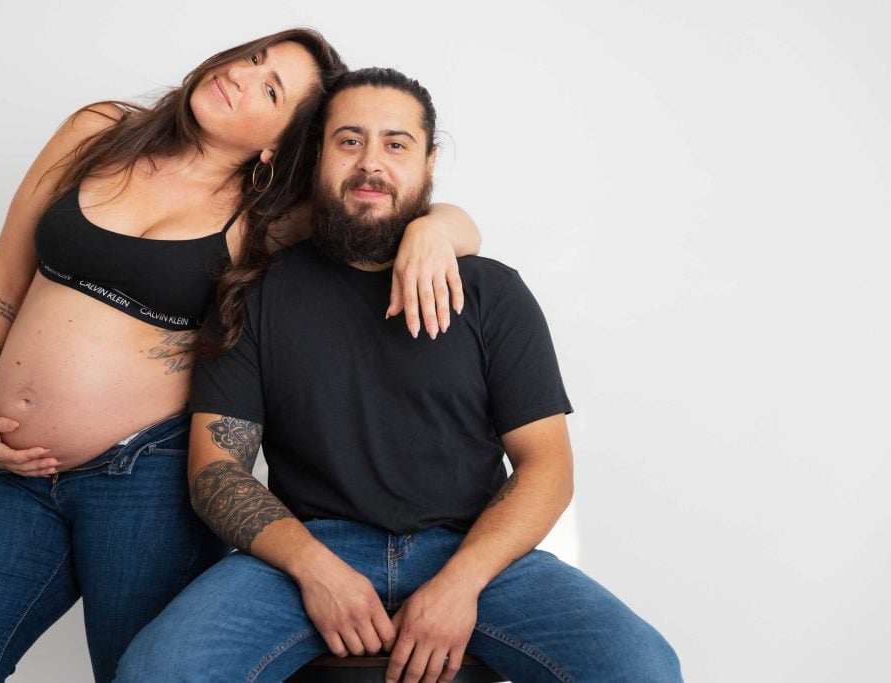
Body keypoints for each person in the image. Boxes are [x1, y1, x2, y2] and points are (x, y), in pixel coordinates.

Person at [0, 31, 483, 682]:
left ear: (278, 144)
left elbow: (412, 218)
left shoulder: (269, 219)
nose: (244, 74)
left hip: (146, 482)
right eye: (256, 58)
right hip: (16, 475)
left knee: (143, 673)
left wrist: (433, 230)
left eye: (272, 89)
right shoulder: (98, 130)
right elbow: (4, 277)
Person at [115, 67, 684, 683]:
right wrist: (315, 568)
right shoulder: (256, 295)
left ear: (429, 162)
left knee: (641, 667)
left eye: (396, 143)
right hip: (306, 551)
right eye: (349, 140)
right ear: (318, 157)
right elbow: (216, 469)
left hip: (475, 551)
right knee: (158, 669)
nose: (370, 163)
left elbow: (547, 465)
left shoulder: (492, 292)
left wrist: (460, 585)